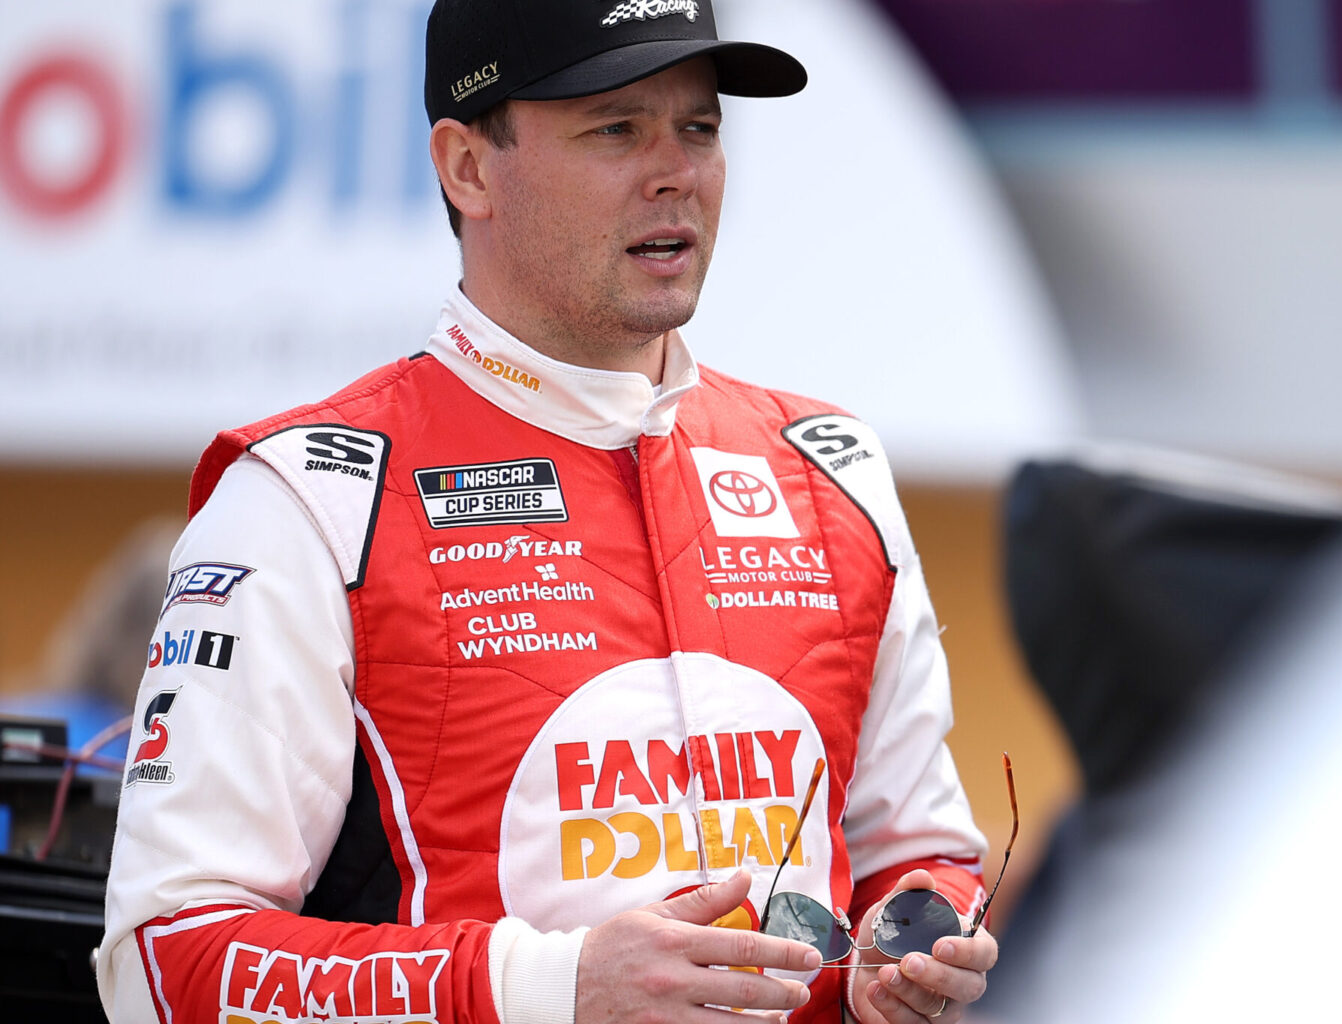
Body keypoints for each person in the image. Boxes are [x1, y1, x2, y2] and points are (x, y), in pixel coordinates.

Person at [95, 2, 998, 1022]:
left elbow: (921, 854)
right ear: (468, 167)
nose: (676, 172)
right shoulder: (307, 499)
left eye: (698, 128)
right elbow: (162, 967)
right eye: (617, 127)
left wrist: (914, 939)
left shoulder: (831, 471)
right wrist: (550, 987)